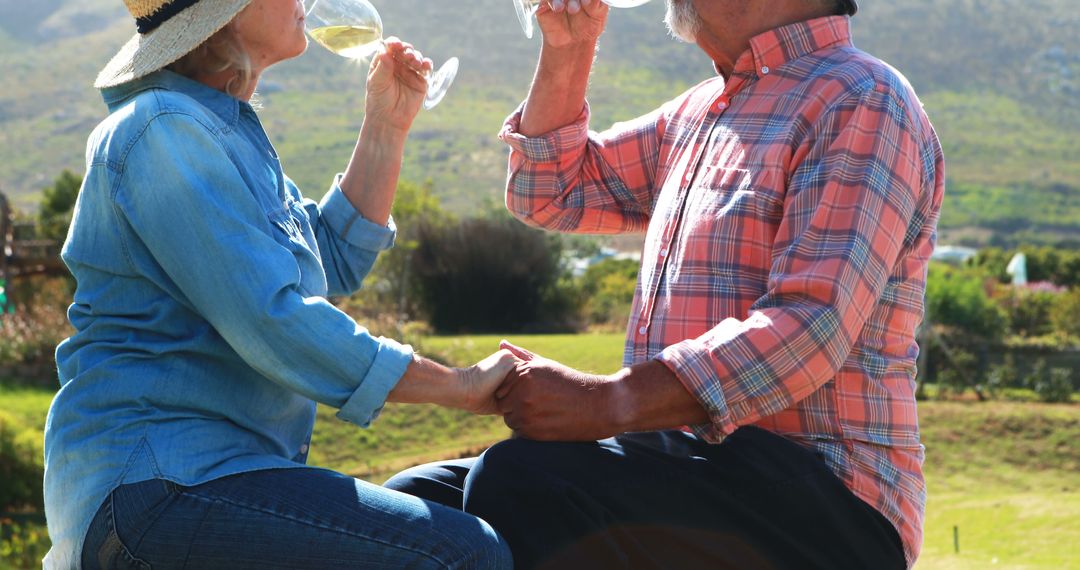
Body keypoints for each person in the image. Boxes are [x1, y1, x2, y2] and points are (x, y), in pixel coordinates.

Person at [385, 0, 943, 568]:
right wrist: (568, 44)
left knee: (521, 480)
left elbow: (809, 328)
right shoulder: (701, 112)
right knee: (411, 508)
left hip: (830, 500)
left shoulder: (863, 99)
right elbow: (548, 191)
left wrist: (607, 400)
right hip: (686, 466)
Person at [43, 0, 515, 568]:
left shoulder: (216, 130)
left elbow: (331, 258)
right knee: (462, 553)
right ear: (223, 18)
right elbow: (272, 319)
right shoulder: (163, 129)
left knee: (439, 509)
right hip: (158, 484)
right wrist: (458, 386)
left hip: (208, 477)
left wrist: (387, 125)